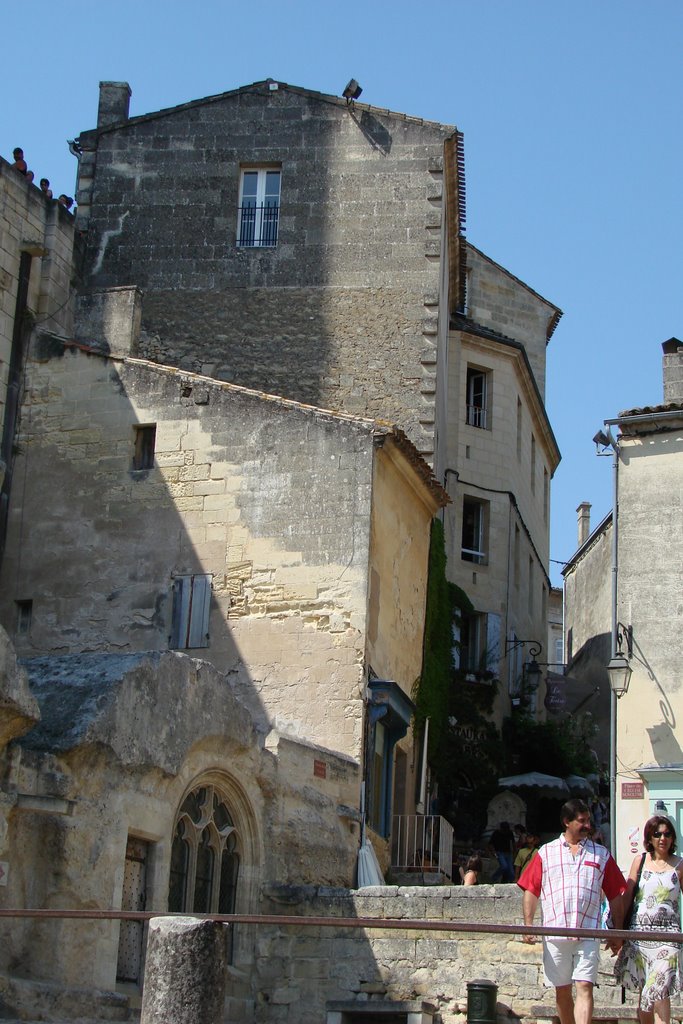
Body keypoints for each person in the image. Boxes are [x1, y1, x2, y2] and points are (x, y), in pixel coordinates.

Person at [518, 798, 627, 1024]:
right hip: (556, 932)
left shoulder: (601, 854)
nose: (588, 825)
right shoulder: (545, 853)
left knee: (585, 985)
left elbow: (616, 892)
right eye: (582, 821)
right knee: (563, 990)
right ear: (567, 822)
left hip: (588, 931)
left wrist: (617, 930)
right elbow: (531, 889)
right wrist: (528, 924)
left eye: (588, 820)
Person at [615, 816, 683, 1024]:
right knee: (647, 994)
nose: (662, 838)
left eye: (667, 834)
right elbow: (627, 895)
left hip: (669, 936)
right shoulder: (641, 861)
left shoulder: (680, 865)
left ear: (673, 838)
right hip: (639, 936)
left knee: (656, 990)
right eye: (657, 834)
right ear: (649, 838)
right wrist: (618, 931)